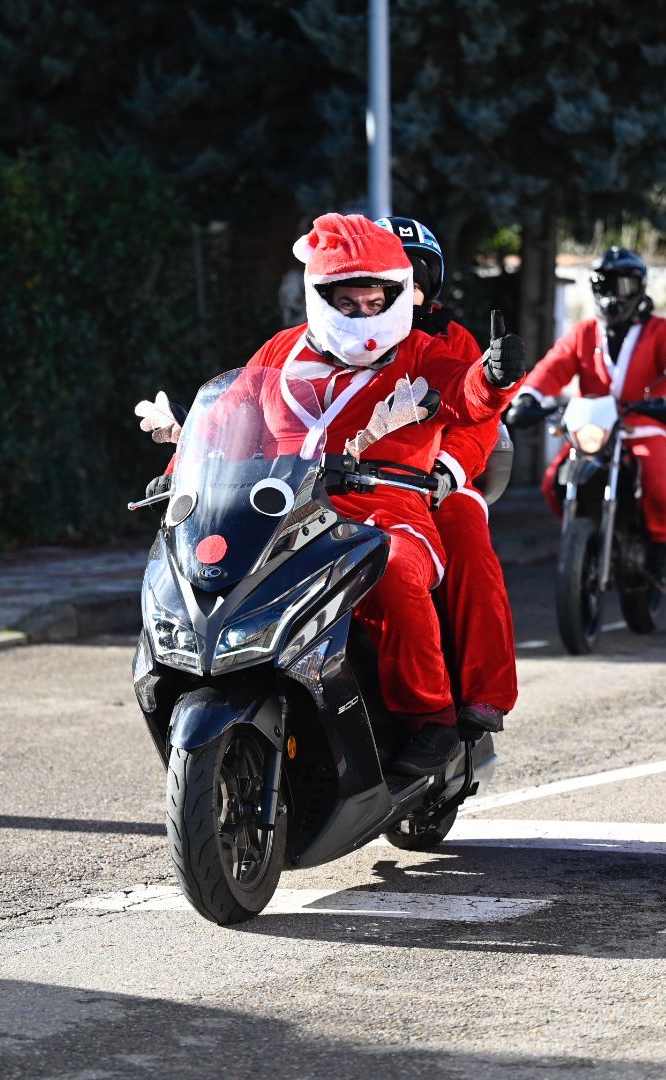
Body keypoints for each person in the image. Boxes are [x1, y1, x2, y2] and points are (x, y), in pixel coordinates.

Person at [142, 212, 525, 775]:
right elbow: (227, 418)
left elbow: (466, 395)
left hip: (388, 508)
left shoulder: (422, 351)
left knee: (392, 567)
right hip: (286, 510)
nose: (364, 314)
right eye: (349, 302)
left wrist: (492, 378)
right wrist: (180, 469)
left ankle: (432, 718)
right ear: (321, 297)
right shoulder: (280, 351)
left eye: (376, 302)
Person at [377, 215, 516, 733]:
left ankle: (486, 692)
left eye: (414, 276)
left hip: (430, 486)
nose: (402, 286)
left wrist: (446, 471)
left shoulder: (450, 339)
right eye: (388, 275)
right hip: (341, 486)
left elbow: (477, 413)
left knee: (466, 533)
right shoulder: (329, 339)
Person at [507, 247, 666, 591]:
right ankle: (581, 534)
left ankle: (659, 546)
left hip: (642, 426)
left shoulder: (660, 330)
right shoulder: (583, 332)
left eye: (624, 285)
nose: (614, 294)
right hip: (593, 429)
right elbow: (553, 366)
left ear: (639, 288)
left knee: (658, 485)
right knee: (552, 482)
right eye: (605, 285)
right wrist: (528, 396)